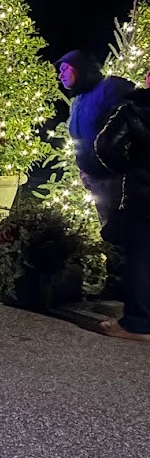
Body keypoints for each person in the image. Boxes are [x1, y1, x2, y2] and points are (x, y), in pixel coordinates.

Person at [93, 72, 150, 341]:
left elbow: (105, 145)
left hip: (144, 195)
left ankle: (139, 323)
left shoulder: (135, 109)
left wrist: (128, 168)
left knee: (141, 258)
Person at [58, 50, 136, 229]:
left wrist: (117, 167)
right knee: (107, 226)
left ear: (79, 68)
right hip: (95, 177)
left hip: (113, 179)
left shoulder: (111, 88)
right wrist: (84, 169)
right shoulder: (79, 99)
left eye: (64, 69)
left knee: (118, 229)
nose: (60, 75)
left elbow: (130, 125)